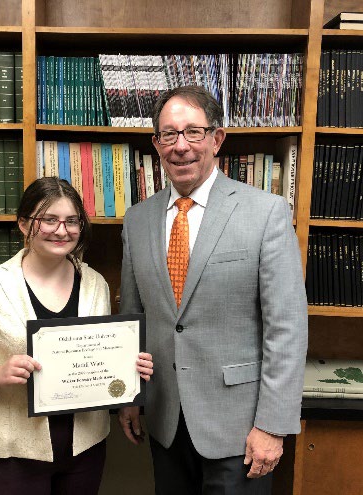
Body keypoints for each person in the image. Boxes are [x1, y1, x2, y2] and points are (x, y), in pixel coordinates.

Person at [118, 86, 308, 494]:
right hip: (166, 420)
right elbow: (134, 319)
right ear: (156, 144)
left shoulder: (266, 212)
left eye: (193, 132)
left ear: (217, 139)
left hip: (239, 429)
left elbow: (286, 328)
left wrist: (272, 427)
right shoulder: (137, 220)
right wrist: (131, 396)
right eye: (169, 134)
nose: (180, 146)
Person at [0, 177, 153, 495]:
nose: (61, 230)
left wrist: (131, 366)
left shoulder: (95, 282)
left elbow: (100, 353)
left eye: (72, 221)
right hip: (14, 452)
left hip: (85, 447)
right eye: (49, 220)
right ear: (24, 224)